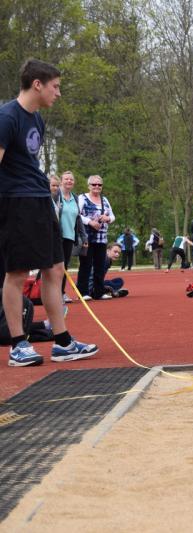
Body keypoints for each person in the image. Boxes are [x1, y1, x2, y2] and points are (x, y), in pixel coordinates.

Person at [0, 59, 98, 365]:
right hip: (16, 202)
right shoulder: (6, 117)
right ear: (37, 85)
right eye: (55, 87)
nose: (58, 93)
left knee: (55, 270)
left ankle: (63, 342)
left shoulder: (38, 120)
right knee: (17, 273)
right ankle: (18, 345)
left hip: (41, 200)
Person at [77, 175, 115, 301]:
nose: (97, 186)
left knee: (100, 265)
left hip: (101, 238)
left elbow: (113, 216)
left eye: (99, 184)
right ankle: (83, 292)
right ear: (89, 186)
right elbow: (76, 214)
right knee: (86, 265)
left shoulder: (105, 200)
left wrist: (107, 218)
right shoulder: (82, 198)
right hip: (87, 238)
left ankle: (98, 292)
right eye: (94, 184)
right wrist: (90, 222)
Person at [58, 170, 85, 302]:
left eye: (71, 179)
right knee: (55, 266)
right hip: (56, 237)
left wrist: (83, 236)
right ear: (61, 181)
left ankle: (61, 293)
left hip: (69, 237)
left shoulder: (75, 198)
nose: (69, 181)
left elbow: (78, 219)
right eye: (66, 179)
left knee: (64, 266)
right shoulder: (55, 196)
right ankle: (50, 293)